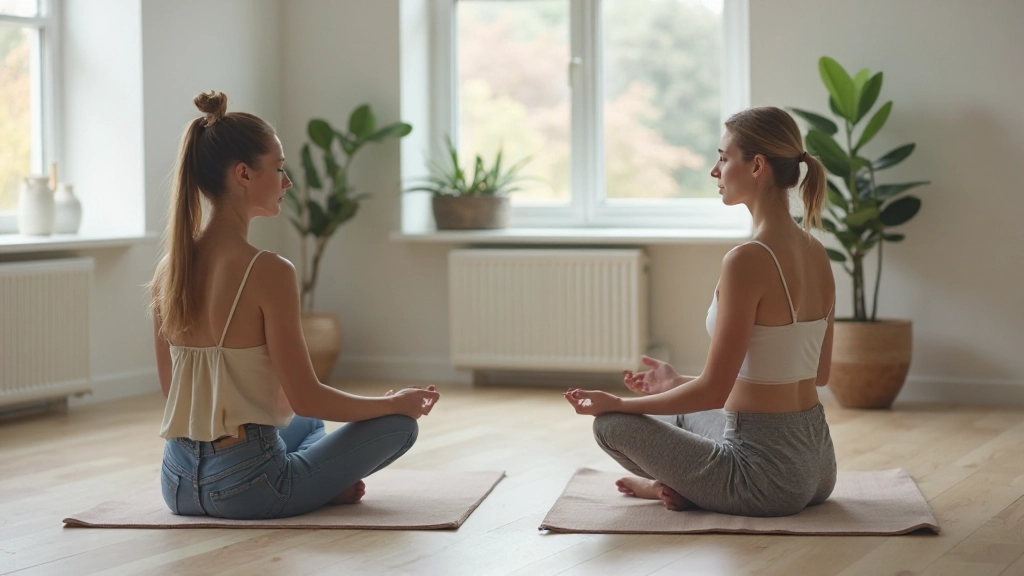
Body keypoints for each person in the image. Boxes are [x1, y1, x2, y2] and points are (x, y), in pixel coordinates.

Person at [150, 91, 440, 519]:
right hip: (252, 489)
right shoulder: (269, 271)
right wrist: (394, 403)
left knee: (304, 428)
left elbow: (173, 392)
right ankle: (322, 485)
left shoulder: (168, 269)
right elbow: (309, 397)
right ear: (244, 174)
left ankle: (321, 482)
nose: (287, 183)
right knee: (399, 427)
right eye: (280, 169)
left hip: (175, 485)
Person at [564, 106, 837, 517]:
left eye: (724, 158)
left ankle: (672, 487)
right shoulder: (816, 252)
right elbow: (816, 374)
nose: (715, 170)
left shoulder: (747, 259)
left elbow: (714, 390)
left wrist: (616, 403)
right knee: (678, 407)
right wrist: (676, 382)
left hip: (764, 481)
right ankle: (691, 484)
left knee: (610, 427)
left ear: (758, 165)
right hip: (817, 465)